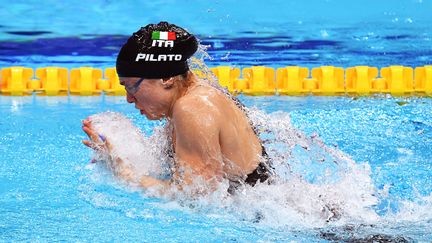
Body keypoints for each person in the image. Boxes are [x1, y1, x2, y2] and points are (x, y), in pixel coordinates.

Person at [82, 21, 272, 194]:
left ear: (166, 78)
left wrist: (126, 175)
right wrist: (116, 154)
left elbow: (196, 197)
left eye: (132, 87)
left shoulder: (193, 108)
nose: (129, 99)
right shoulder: (190, 98)